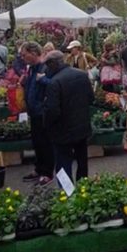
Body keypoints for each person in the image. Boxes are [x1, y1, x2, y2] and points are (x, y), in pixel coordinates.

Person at [43, 51, 94, 184]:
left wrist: (47, 125)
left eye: (47, 65)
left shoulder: (54, 82)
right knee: (82, 162)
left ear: (53, 64)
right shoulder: (82, 75)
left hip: (62, 130)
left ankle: (67, 194)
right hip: (82, 126)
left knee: (63, 164)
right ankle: (84, 189)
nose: (46, 69)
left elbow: (52, 110)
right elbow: (91, 98)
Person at [19, 42, 55, 184]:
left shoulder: (46, 67)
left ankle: (47, 173)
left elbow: (55, 85)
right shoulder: (32, 69)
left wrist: (44, 80)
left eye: (24, 54)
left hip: (42, 111)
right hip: (33, 111)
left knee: (45, 142)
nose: (22, 58)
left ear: (33, 53)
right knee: (37, 142)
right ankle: (39, 169)